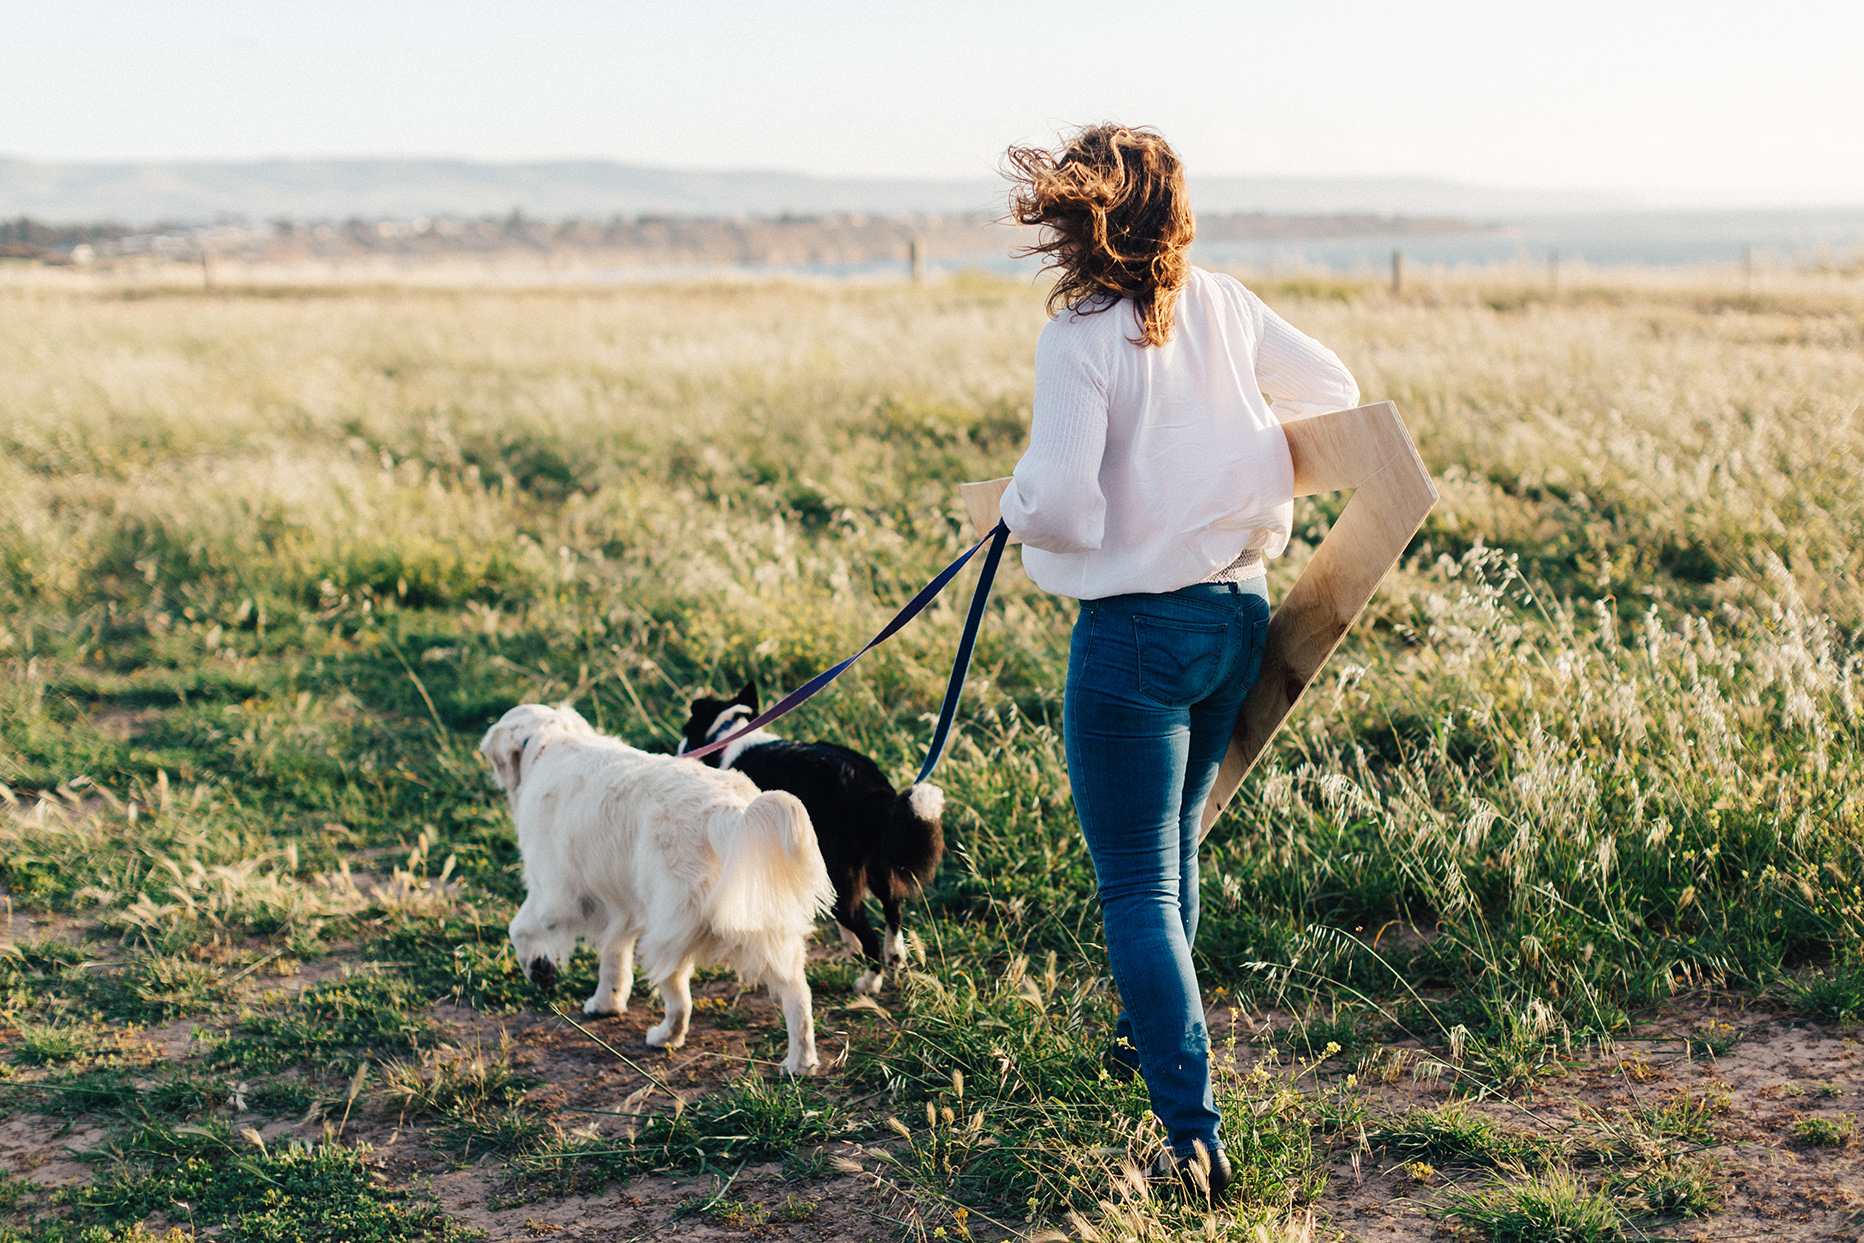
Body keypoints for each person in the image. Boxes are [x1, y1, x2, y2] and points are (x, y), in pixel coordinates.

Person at [997, 124, 1359, 1201]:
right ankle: (1144, 1056)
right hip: (1234, 620)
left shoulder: (1080, 336)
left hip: (1134, 641)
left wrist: (1017, 506)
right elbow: (1333, 385)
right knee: (1173, 859)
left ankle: (1190, 1134)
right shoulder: (1227, 304)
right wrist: (1222, 455)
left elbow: (1057, 503)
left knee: (1135, 886)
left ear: (1080, 216)